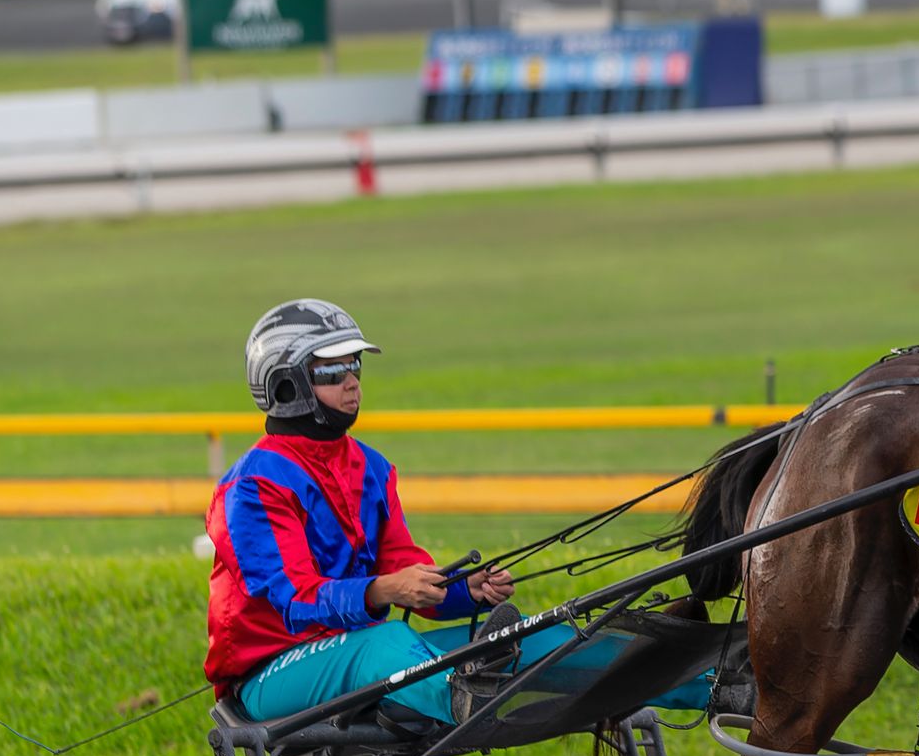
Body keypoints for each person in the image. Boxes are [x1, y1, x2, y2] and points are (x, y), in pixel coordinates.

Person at [204, 298, 710, 729]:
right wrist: (385, 589)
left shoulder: (370, 468)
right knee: (385, 643)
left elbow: (409, 569)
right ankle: (467, 696)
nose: (353, 382)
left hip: (360, 651)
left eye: (356, 366)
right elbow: (295, 600)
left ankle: (708, 685)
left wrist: (464, 591)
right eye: (333, 371)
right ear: (286, 385)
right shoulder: (252, 486)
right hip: (270, 674)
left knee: (535, 638)